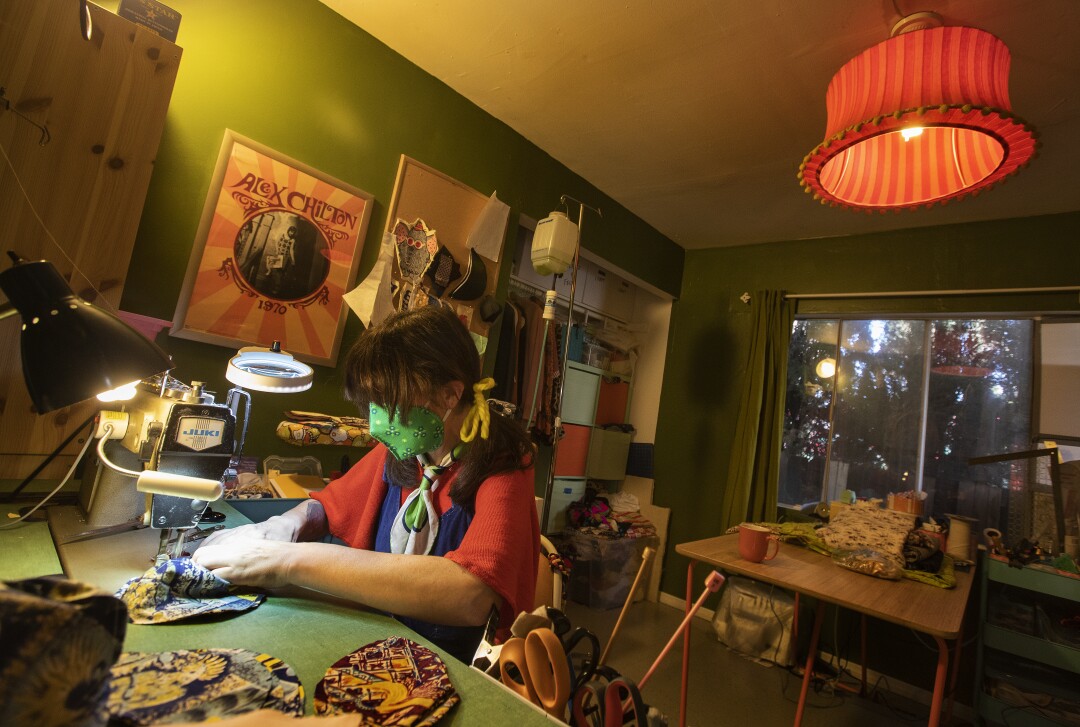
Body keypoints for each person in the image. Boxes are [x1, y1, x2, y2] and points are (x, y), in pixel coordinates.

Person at [193, 305, 540, 662]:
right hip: (381, 641)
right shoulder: (407, 449)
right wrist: (283, 526)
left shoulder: (505, 462)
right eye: (373, 403)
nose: (376, 422)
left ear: (450, 395)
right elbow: (327, 506)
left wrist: (287, 561)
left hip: (451, 665)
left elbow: (472, 595)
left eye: (390, 402)